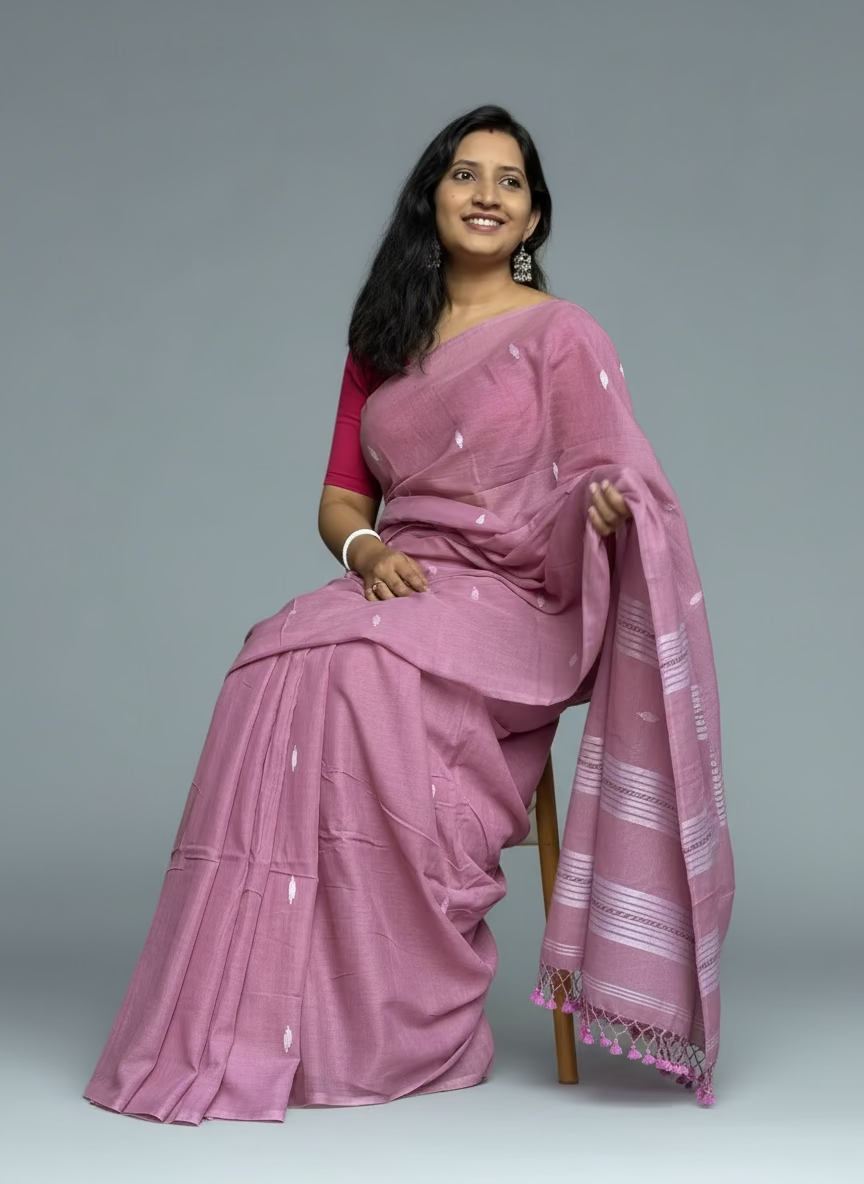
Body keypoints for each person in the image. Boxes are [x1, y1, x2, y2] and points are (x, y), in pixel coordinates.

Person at [83, 104, 733, 1125]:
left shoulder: (562, 335)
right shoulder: (381, 338)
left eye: (509, 181)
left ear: (532, 218)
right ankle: (272, 1007)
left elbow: (614, 478)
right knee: (276, 656)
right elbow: (340, 496)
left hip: (521, 598)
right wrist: (368, 547)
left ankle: (397, 1012)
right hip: (402, 580)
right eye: (465, 174)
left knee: (354, 668)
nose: (486, 193)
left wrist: (606, 510)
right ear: (430, 197)